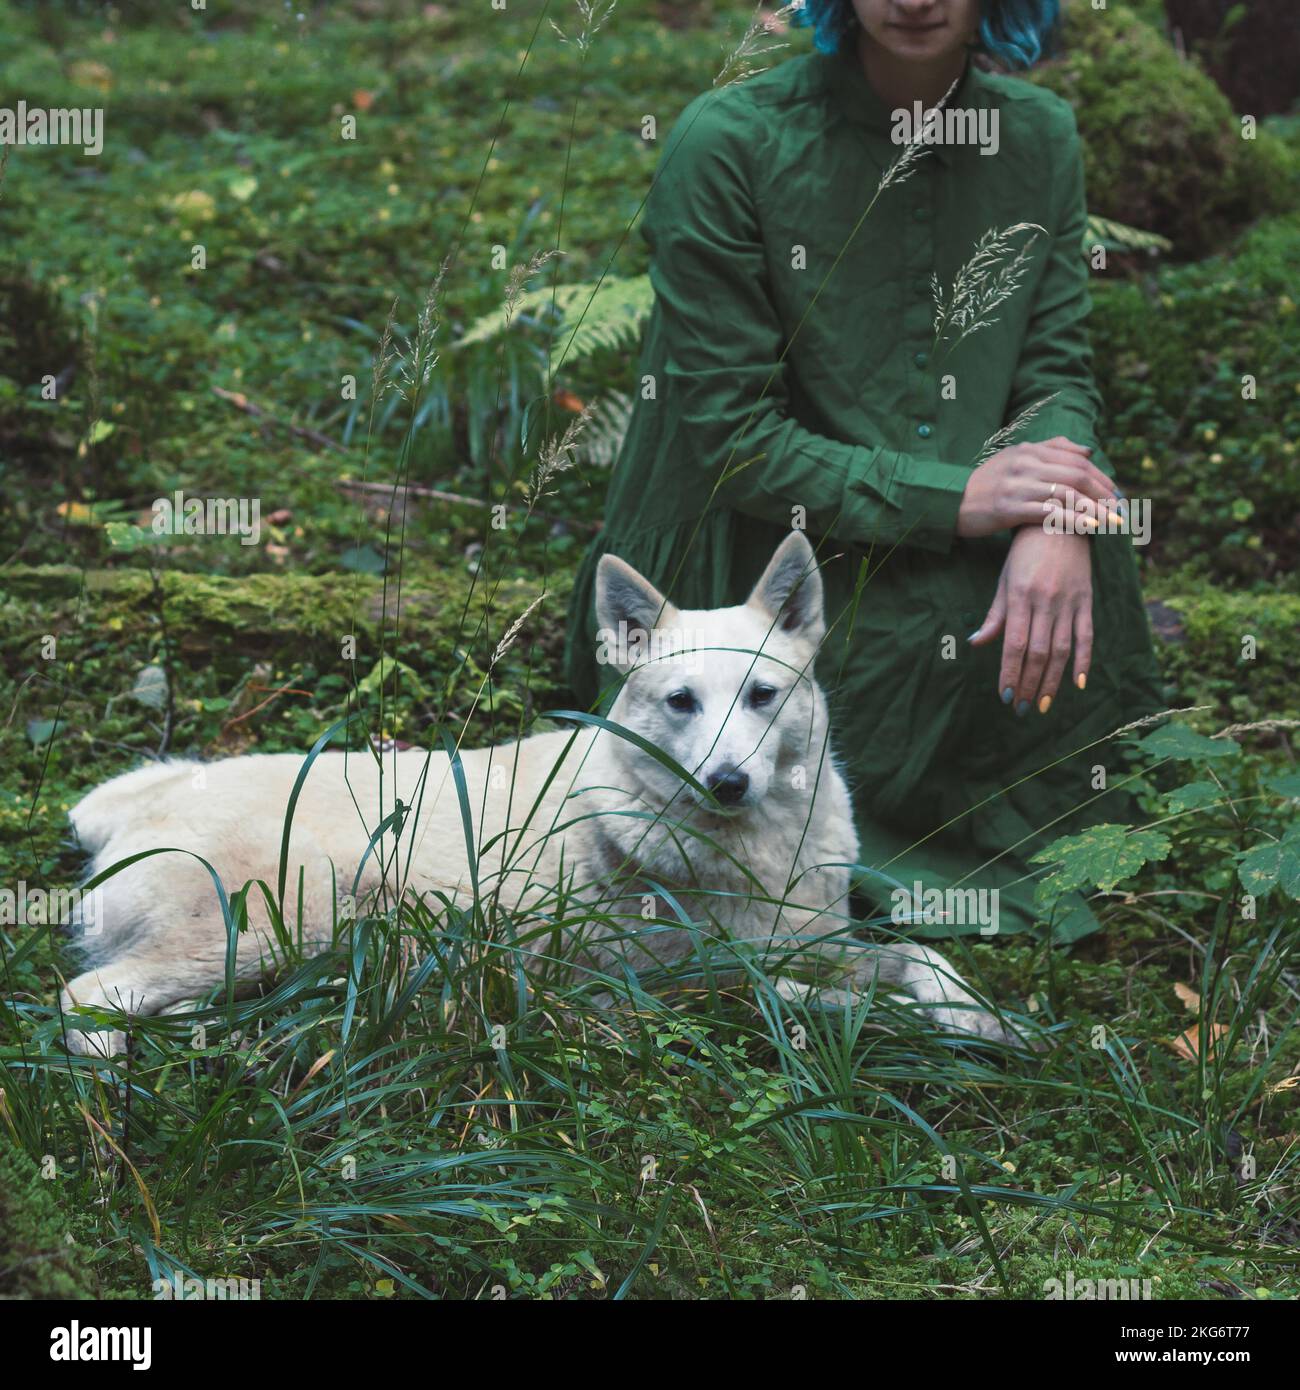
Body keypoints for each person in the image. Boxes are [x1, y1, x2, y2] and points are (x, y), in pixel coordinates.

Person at [563, 0, 1164, 941]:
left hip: (989, 511)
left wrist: (1055, 517)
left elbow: (1056, 371)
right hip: (766, 527)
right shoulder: (728, 141)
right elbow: (730, 437)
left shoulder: (1037, 136)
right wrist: (953, 498)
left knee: (1058, 567)